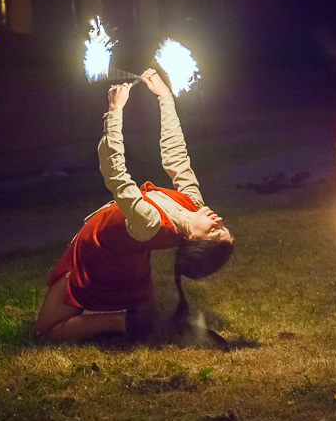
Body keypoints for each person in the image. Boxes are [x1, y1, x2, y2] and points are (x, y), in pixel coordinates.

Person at [34, 68, 233, 344]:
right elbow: (176, 155)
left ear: (192, 239)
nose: (218, 220)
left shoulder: (151, 222)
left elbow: (116, 174)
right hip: (128, 259)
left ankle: (117, 320)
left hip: (96, 256)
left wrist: (114, 112)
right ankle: (139, 318)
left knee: (45, 333)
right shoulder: (193, 204)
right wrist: (165, 97)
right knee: (149, 320)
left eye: (214, 231)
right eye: (224, 227)